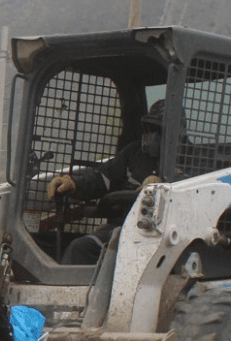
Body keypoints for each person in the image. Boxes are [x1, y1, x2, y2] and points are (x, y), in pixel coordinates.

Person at [46, 99, 166, 264]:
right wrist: (75, 184)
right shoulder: (134, 154)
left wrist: (164, 184)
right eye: (146, 129)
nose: (148, 135)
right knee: (79, 249)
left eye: (154, 130)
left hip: (163, 237)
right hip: (123, 227)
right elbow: (103, 177)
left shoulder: (191, 162)